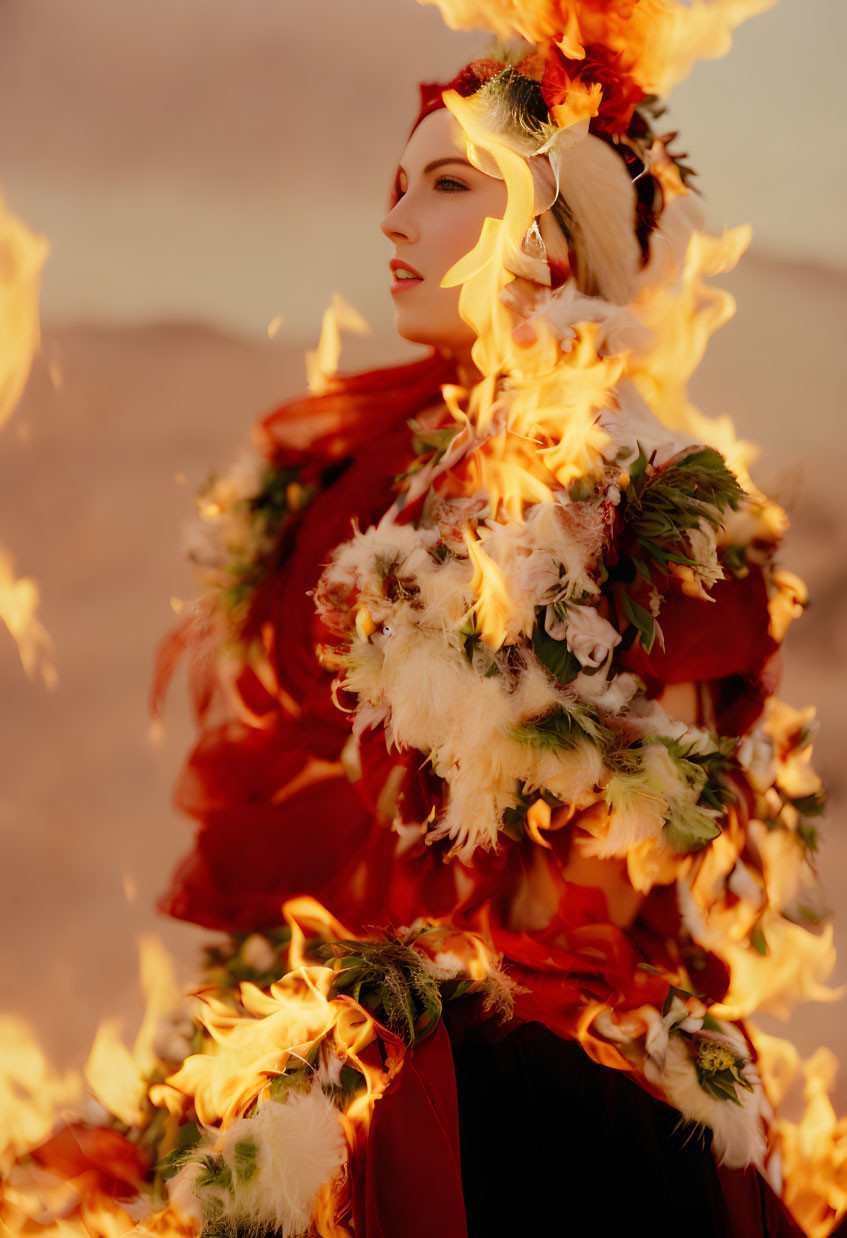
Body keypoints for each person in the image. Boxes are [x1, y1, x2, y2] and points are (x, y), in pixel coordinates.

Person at [9, 25, 836, 1238]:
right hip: (441, 1032)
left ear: (546, 237)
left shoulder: (648, 490)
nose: (393, 223)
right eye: (393, 190)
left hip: (575, 1085)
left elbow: (619, 881)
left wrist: (387, 1013)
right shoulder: (416, 495)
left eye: (446, 185)